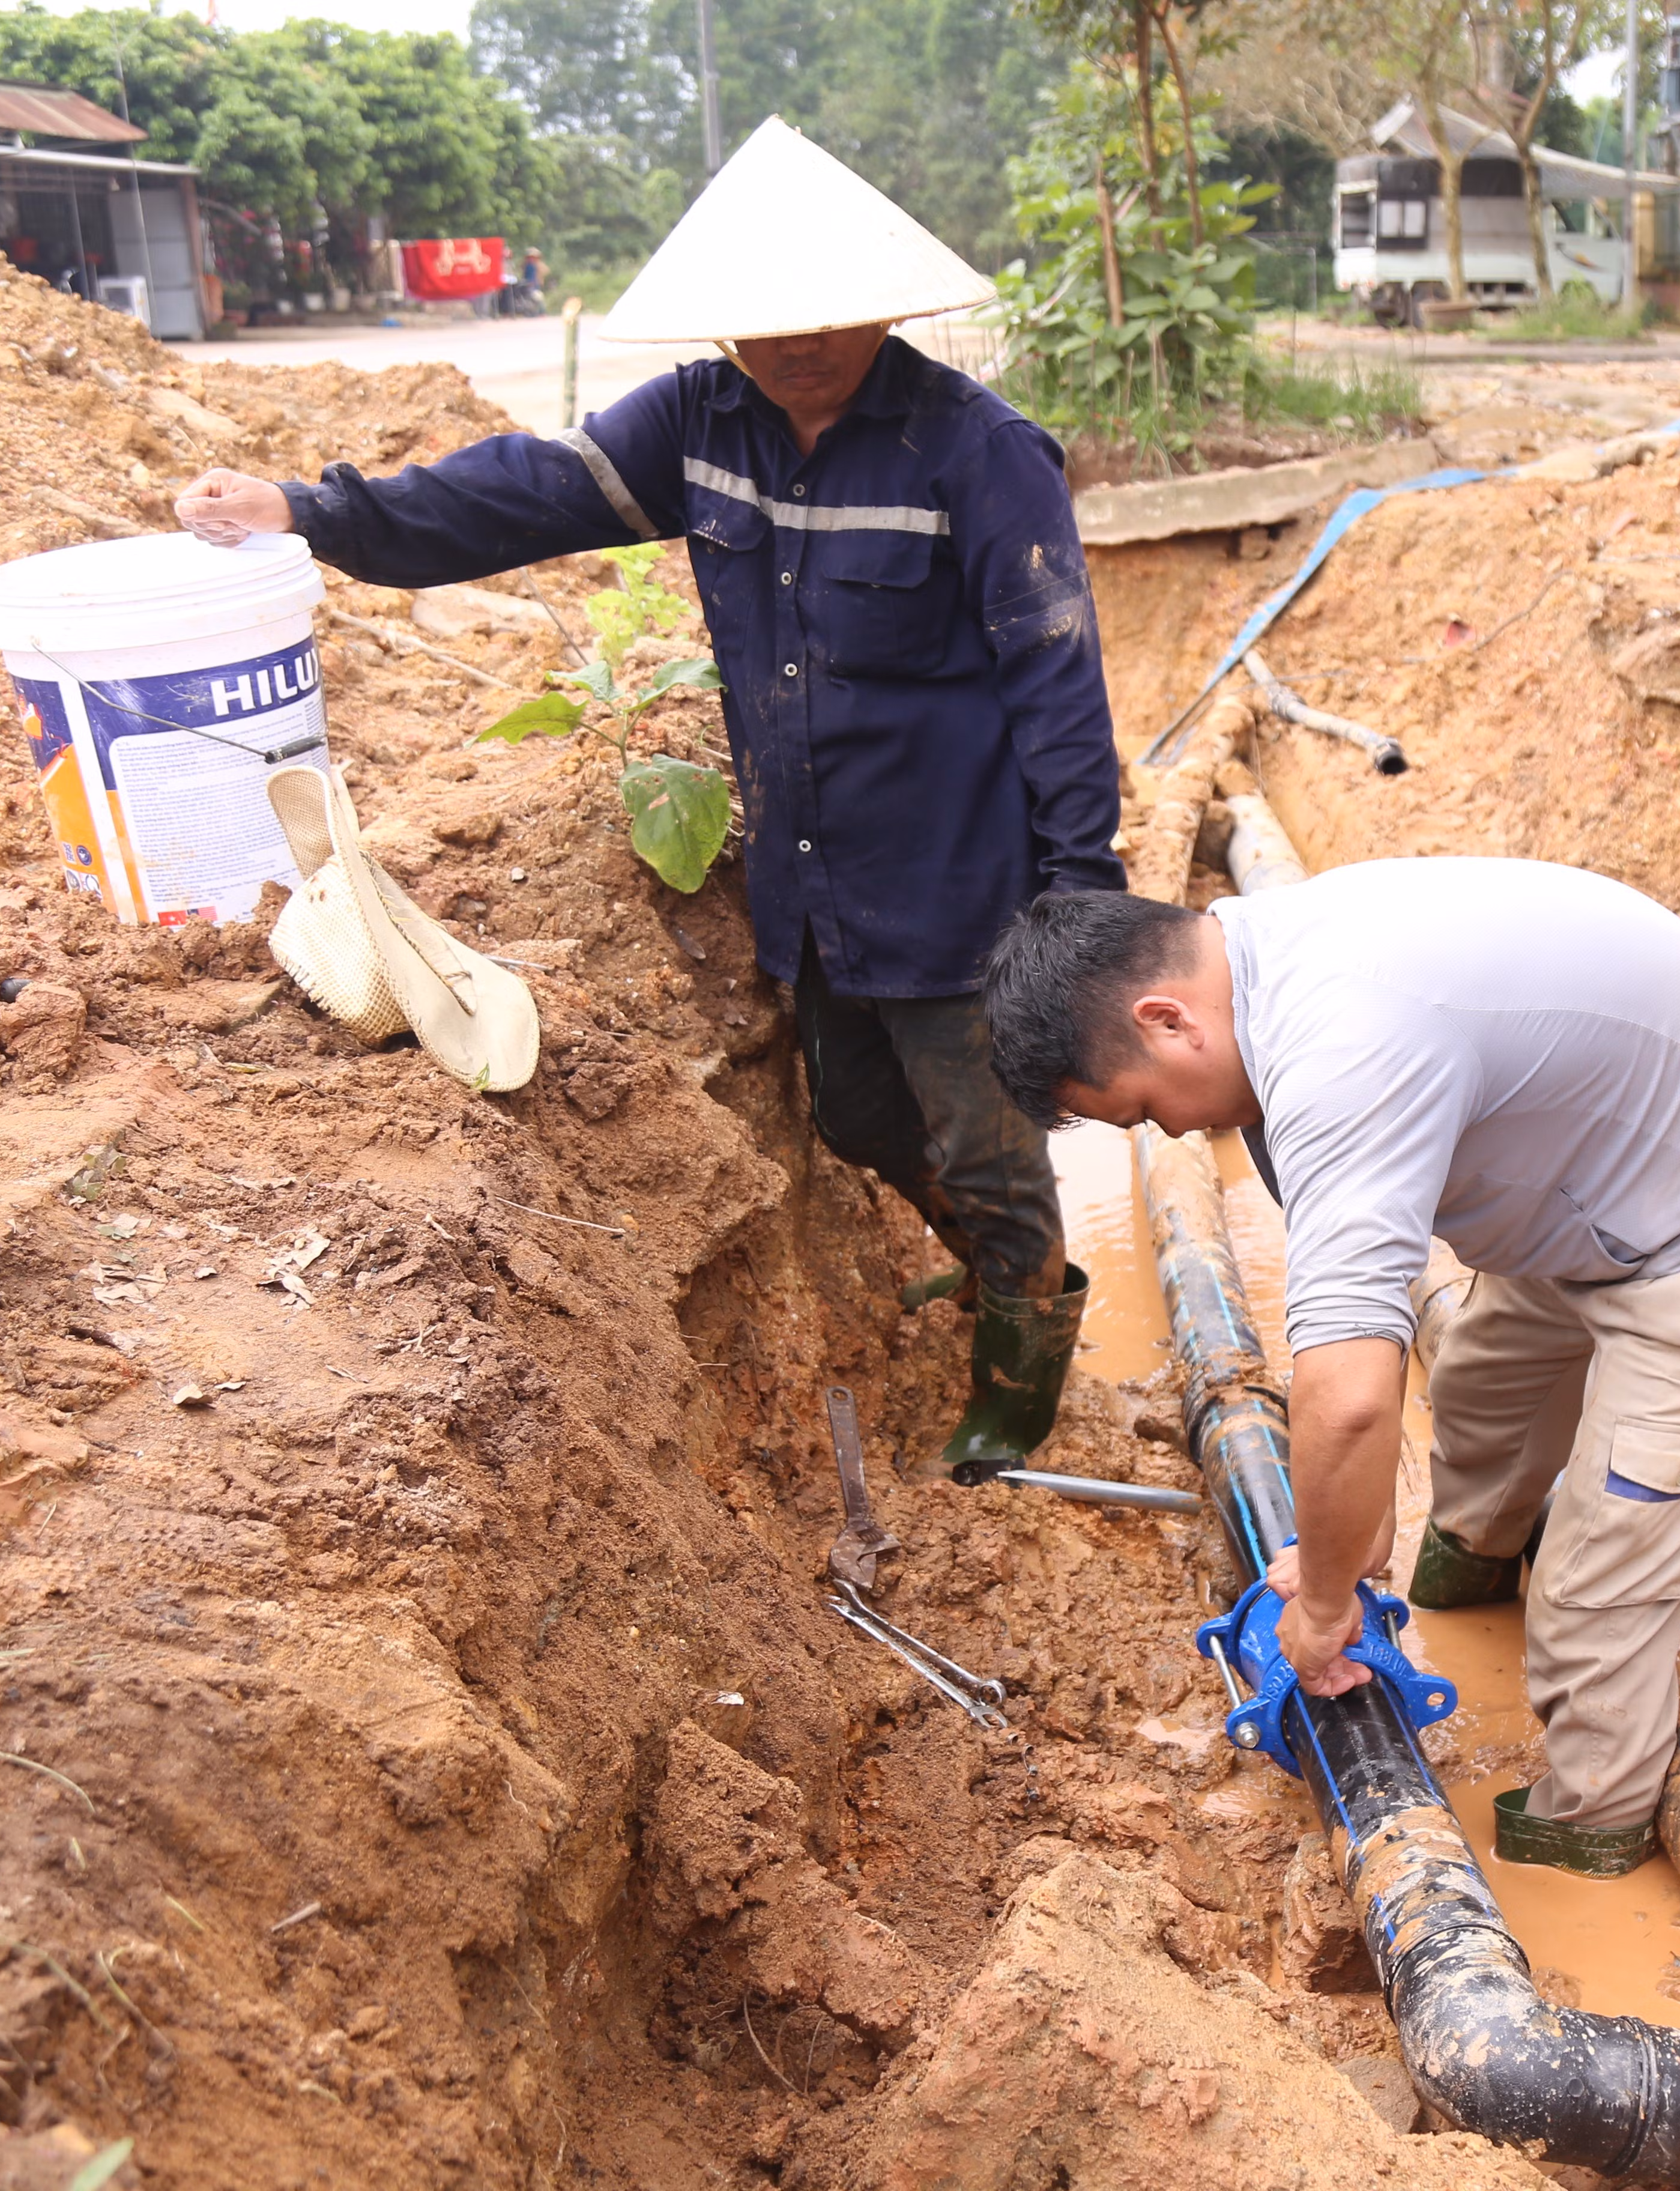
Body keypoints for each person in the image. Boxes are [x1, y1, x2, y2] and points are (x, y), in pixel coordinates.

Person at [175, 118, 1122, 1485]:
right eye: (760, 323)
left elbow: (1056, 679)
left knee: (990, 1144)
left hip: (959, 886)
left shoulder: (976, 454)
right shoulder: (700, 423)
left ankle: (1021, 1368)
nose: (790, 346)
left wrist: (1078, 900)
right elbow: (516, 495)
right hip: (815, 886)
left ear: (885, 305)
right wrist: (310, 510)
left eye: (821, 318)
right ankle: (989, 1269)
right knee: (856, 1118)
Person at [981, 861, 1680, 1877]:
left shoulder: (1341, 1051)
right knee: (1486, 1381)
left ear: (1167, 1019)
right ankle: (1478, 1552)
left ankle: (1588, 1828)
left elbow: (1351, 1400)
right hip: (1610, 1174)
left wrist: (1320, 1606)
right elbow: (1360, 1378)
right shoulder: (1256, 957)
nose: (1173, 1132)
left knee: (1593, 1588)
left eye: (1144, 1111)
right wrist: (1348, 1539)